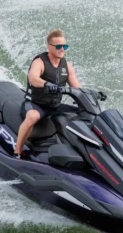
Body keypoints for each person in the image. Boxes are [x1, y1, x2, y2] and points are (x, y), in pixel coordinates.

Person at [14, 29, 81, 158]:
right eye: (58, 46)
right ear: (49, 47)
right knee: (32, 116)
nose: (62, 49)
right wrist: (47, 84)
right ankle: (17, 151)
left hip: (55, 106)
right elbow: (33, 78)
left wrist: (92, 94)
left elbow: (76, 87)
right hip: (36, 104)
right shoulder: (40, 62)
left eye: (64, 46)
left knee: (83, 113)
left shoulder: (67, 65)